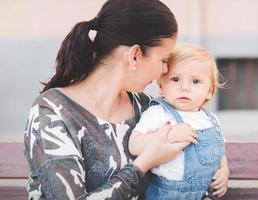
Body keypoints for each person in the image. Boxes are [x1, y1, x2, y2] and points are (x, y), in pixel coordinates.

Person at [24, 0, 229, 199]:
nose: (165, 70)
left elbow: (195, 136)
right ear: (135, 55)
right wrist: (145, 161)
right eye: (164, 60)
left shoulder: (146, 106)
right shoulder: (52, 113)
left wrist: (221, 166)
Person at [129, 44, 229, 199]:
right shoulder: (158, 113)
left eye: (195, 81)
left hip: (204, 194)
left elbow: (218, 150)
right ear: (161, 85)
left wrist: (224, 169)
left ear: (210, 91)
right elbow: (134, 145)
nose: (184, 88)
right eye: (175, 79)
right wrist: (168, 135)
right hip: (167, 195)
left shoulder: (211, 120)